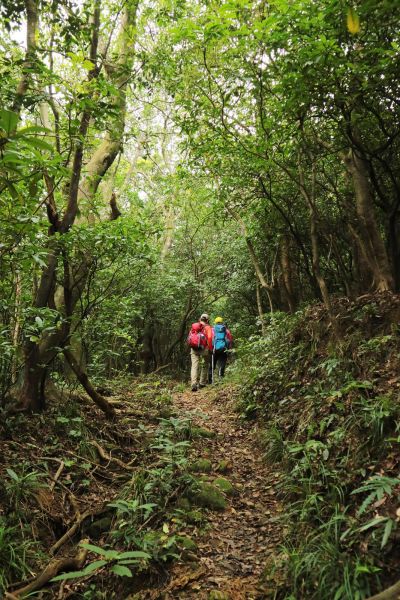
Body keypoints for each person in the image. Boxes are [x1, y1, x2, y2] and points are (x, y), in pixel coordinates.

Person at [187, 313, 213, 392]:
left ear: (200, 319)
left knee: (194, 366)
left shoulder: (194, 326)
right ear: (207, 320)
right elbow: (209, 337)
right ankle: (202, 383)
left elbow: (189, 337)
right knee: (205, 364)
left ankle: (194, 383)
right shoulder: (208, 327)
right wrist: (210, 348)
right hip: (204, 349)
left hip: (194, 348)